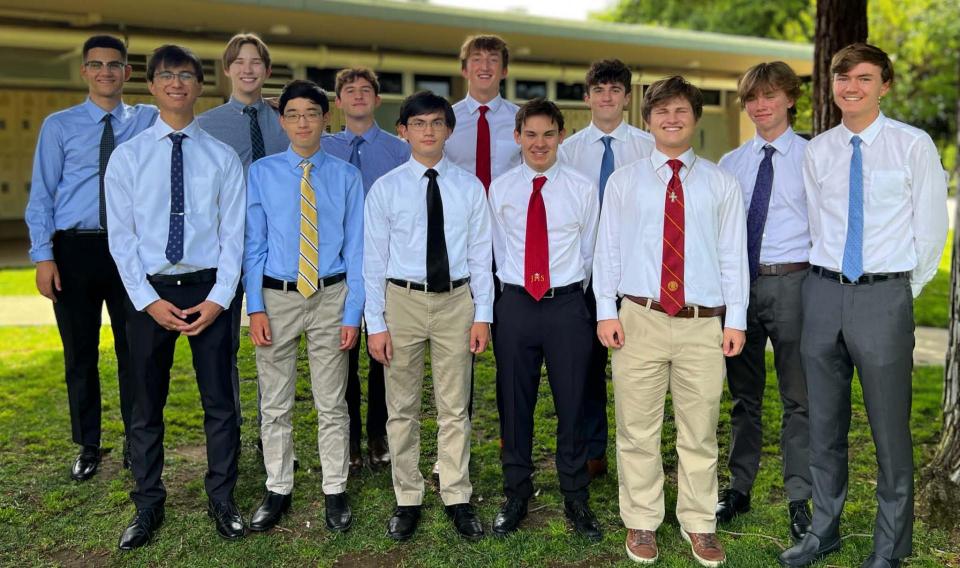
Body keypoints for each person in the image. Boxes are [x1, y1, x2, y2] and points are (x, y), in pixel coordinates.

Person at [778, 43, 948, 568]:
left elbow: (931, 229)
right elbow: (815, 219)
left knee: (889, 430)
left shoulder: (912, 146)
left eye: (865, 78)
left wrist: (899, 290)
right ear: (832, 84)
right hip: (823, 293)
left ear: (885, 86)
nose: (852, 87)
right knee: (823, 424)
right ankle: (823, 531)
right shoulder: (818, 151)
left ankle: (889, 547)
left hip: (883, 296)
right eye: (843, 77)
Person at [594, 76, 748, 567]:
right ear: (648, 119)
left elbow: (732, 257)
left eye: (681, 110)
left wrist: (735, 320)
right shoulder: (625, 182)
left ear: (695, 117)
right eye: (662, 111)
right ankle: (641, 520)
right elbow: (607, 251)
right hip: (639, 318)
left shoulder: (721, 183)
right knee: (637, 428)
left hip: (703, 324)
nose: (672, 118)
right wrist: (605, 310)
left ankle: (699, 523)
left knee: (698, 430)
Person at [105, 44, 247, 549]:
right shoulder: (129, 156)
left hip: (210, 289)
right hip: (149, 293)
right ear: (152, 84)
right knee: (145, 404)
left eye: (186, 75)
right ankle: (147, 504)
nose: (177, 83)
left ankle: (223, 497)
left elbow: (236, 236)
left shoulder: (221, 156)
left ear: (199, 84)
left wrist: (220, 298)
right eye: (166, 75)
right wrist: (146, 300)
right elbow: (120, 239)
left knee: (221, 402)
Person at [24, 34, 157, 482]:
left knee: (133, 351)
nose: (106, 72)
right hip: (74, 249)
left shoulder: (148, 120)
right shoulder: (58, 126)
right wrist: (44, 256)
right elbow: (42, 194)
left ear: (127, 72)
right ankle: (88, 443)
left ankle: (136, 442)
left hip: (128, 249)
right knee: (79, 353)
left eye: (114, 65)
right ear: (84, 71)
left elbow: (191, 120)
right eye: (96, 65)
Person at [364, 91, 492, 542]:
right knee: (400, 407)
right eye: (418, 123)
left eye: (437, 123)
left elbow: (481, 254)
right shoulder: (386, 188)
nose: (428, 131)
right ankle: (408, 495)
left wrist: (483, 315)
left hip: (457, 301)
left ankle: (456, 493)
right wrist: (374, 323)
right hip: (402, 301)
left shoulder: (469, 187)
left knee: (454, 405)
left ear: (448, 130)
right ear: (403, 131)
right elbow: (373, 262)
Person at [243, 79, 364, 534]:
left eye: (310, 113)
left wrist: (353, 313)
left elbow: (357, 251)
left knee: (332, 401)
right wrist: (255, 306)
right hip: (277, 297)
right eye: (292, 114)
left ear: (325, 117)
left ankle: (335, 488)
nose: (302, 122)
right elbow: (253, 245)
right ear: (282, 121)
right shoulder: (263, 172)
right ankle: (278, 487)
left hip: (331, 296)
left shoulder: (347, 177)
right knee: (275, 402)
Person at [488, 98, 602, 541]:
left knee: (573, 401)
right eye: (530, 134)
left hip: (567, 305)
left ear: (560, 137)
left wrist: (572, 295)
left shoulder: (581, 188)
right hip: (515, 304)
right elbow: (495, 248)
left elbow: (590, 251)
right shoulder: (500, 190)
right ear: (517, 137)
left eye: (548, 134)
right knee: (514, 402)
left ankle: (575, 494)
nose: (539, 143)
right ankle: (517, 490)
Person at [715, 61, 812, 542]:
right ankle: (739, 488)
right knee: (743, 396)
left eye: (770, 95)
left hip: (796, 284)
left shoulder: (814, 158)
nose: (760, 105)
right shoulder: (731, 165)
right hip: (741, 289)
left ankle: (799, 496)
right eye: (752, 97)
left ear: (790, 99)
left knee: (799, 398)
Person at [558, 58, 654, 480]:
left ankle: (638, 453)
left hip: (634, 273)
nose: (607, 97)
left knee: (636, 368)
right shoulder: (568, 151)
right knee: (586, 366)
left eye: (615, 90)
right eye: (599, 89)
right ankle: (592, 450)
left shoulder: (649, 148)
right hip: (582, 275)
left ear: (627, 98)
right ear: (587, 97)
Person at [197, 33, 289, 448]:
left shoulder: (285, 120)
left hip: (276, 248)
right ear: (228, 69)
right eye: (240, 61)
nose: (248, 69)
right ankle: (229, 428)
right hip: (226, 248)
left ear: (267, 71)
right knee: (223, 346)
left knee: (273, 347)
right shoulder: (206, 126)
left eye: (256, 62)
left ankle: (268, 435)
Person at [323, 66, 410, 473]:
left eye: (365, 90)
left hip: (384, 265)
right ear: (337, 102)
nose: (358, 96)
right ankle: (350, 437)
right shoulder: (322, 148)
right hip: (337, 266)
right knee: (342, 354)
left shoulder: (399, 150)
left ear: (377, 100)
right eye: (349, 90)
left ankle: (379, 434)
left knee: (381, 354)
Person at [446, 34, 521, 190]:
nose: (485, 67)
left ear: (504, 71)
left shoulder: (521, 120)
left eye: (493, 60)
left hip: (506, 211)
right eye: (476, 59)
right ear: (464, 70)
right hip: (459, 211)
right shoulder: (445, 119)